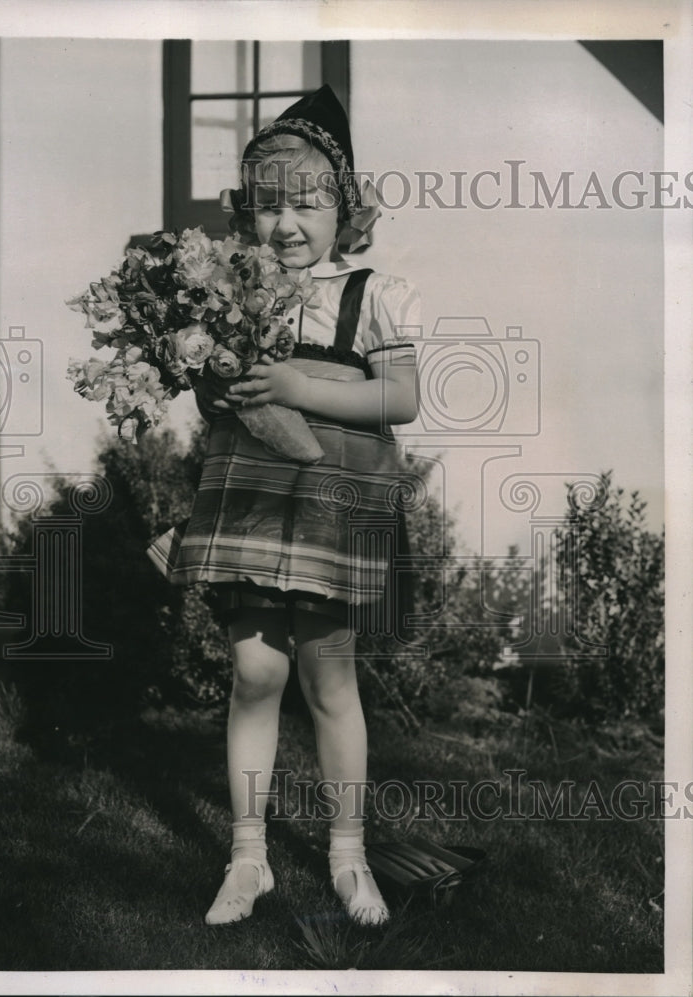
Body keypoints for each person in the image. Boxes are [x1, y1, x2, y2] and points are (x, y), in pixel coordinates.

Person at [147, 85, 420, 927]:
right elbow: (218, 413)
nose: (287, 225)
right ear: (247, 217)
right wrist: (210, 377)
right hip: (251, 506)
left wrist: (303, 384)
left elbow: (402, 398)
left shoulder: (372, 293)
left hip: (331, 514)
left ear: (347, 210)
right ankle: (248, 856)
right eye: (268, 208)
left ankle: (347, 855)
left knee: (330, 679)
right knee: (255, 672)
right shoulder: (238, 297)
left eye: (307, 204)